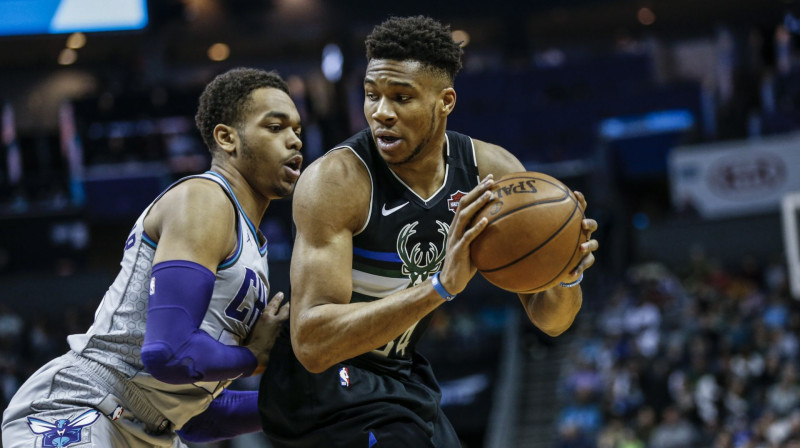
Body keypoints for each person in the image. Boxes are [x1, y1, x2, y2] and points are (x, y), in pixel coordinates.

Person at [258, 15, 599, 448]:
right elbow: (311, 342)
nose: (381, 112)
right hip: (321, 385)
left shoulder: (491, 173)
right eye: (371, 95)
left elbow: (553, 322)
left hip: (400, 374)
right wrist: (440, 286)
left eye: (401, 97)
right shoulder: (337, 182)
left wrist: (564, 269)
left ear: (445, 101)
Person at [2, 67, 302, 448]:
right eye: (275, 127)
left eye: (297, 130)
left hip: (151, 430)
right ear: (227, 138)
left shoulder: (250, 246)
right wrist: (251, 358)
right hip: (81, 406)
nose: (294, 141)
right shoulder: (205, 199)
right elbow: (169, 353)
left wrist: (299, 401)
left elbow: (196, 418)